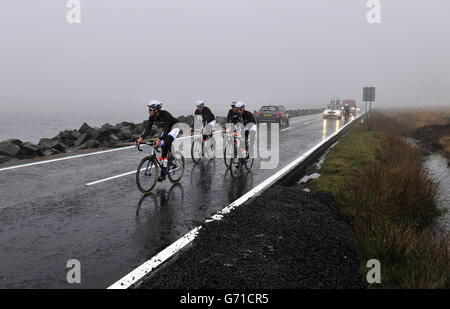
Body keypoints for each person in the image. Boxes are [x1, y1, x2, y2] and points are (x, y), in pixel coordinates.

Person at [134, 100, 180, 181]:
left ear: (156, 110)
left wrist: (159, 140)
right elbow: (148, 129)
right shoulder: (152, 117)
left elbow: (166, 129)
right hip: (167, 130)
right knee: (163, 148)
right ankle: (164, 171)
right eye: (148, 109)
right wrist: (140, 138)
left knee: (165, 142)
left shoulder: (165, 114)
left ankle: (173, 158)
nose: (148, 111)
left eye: (150, 110)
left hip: (175, 128)